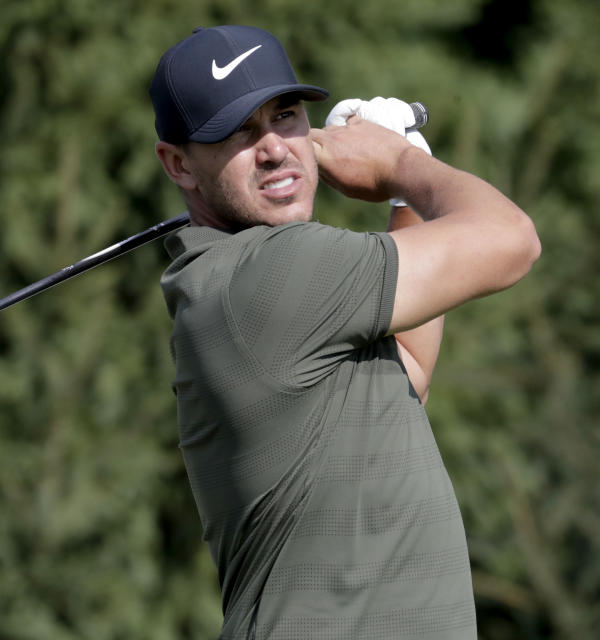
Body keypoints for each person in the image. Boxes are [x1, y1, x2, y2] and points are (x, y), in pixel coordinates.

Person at [150, 25, 540, 638]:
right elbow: (513, 241)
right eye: (238, 132)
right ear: (179, 164)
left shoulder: (248, 283)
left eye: (285, 117)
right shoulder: (270, 272)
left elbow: (406, 369)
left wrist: (407, 177)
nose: (274, 148)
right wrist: (397, 161)